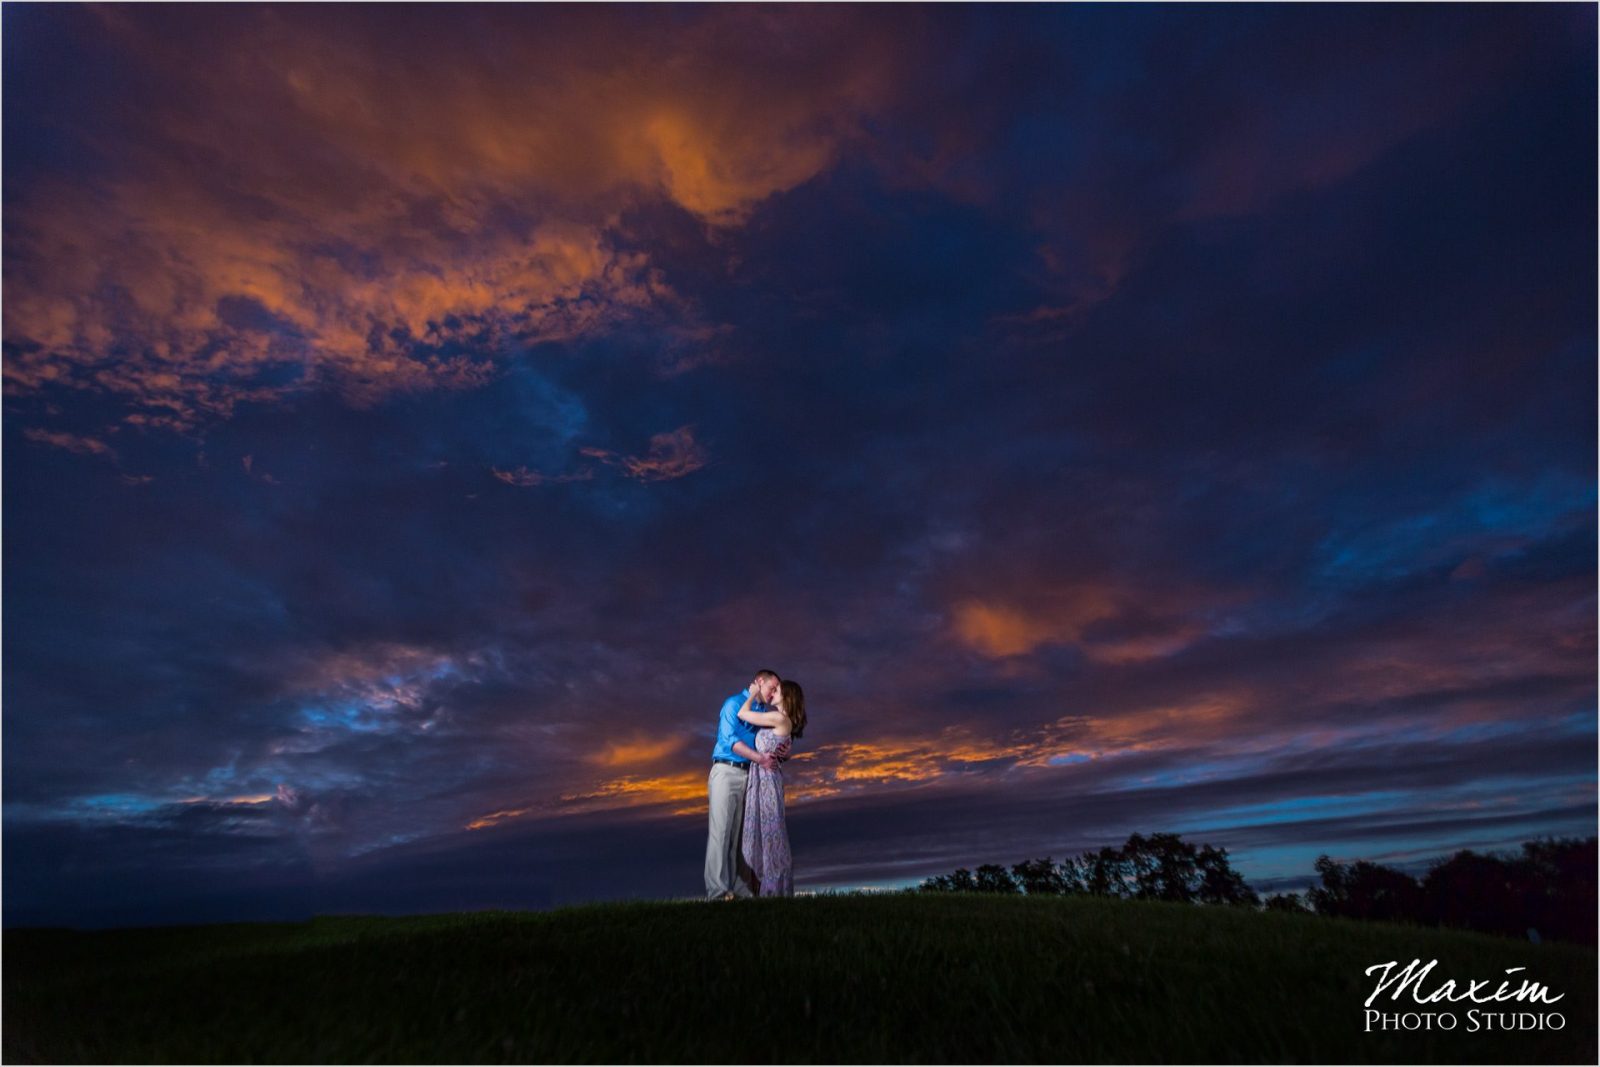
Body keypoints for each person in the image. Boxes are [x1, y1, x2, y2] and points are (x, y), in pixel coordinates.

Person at [705, 670, 781, 901]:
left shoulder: (760, 712)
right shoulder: (733, 704)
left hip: (750, 776)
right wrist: (760, 759)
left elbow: (770, 741)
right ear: (759, 683)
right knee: (721, 833)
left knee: (741, 837)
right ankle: (717, 892)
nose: (774, 693)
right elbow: (731, 742)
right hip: (726, 772)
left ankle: (740, 890)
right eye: (772, 687)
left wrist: (782, 752)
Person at [736, 678, 806, 897]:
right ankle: (766, 889)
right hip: (766, 778)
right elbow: (780, 748)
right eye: (773, 688)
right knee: (768, 835)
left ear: (788, 696)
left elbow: (742, 714)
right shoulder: (782, 721)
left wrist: (753, 693)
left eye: (778, 690)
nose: (774, 691)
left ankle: (774, 891)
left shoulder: (778, 718)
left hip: (767, 781)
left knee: (771, 835)